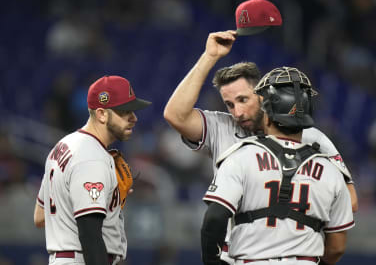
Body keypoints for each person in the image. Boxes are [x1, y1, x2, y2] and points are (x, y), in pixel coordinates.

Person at [163, 30, 357, 264]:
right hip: (234, 253)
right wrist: (209, 56)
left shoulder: (311, 136)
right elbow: (175, 115)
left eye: (243, 99)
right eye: (229, 104)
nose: (237, 112)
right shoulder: (222, 126)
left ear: (265, 96)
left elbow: (349, 199)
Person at [201, 66, 355, 265]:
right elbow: (337, 248)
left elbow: (214, 219)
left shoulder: (240, 156)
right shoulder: (330, 170)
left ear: (267, 111)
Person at [33, 75, 151, 265]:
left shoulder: (63, 145)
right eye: (125, 112)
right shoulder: (91, 157)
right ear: (102, 114)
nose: (134, 118)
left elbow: (40, 217)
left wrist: (106, 201)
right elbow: (90, 236)